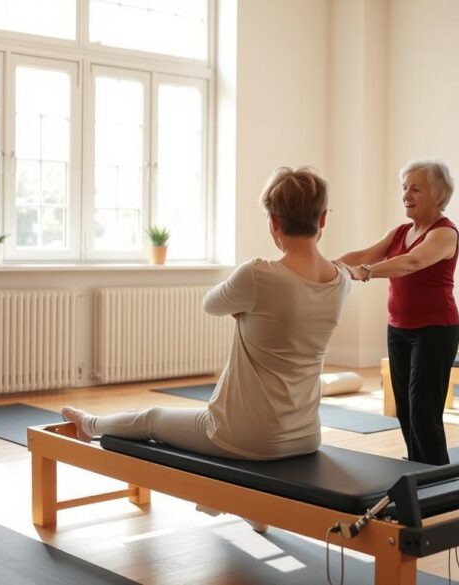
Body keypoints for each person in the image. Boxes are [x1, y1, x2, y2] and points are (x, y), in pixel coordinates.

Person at [62, 166, 351, 463]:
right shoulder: (341, 282)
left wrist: (246, 308)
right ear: (324, 218)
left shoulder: (258, 275)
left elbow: (211, 304)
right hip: (307, 437)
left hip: (243, 436)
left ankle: (89, 424)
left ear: (274, 222)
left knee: (151, 418)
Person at [337, 159, 459, 465]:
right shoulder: (401, 231)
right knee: (404, 406)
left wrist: (365, 272)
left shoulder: (444, 234)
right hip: (399, 329)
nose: (406, 194)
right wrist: (324, 267)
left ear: (438, 194)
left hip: (435, 330)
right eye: (404, 187)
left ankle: (437, 475)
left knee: (423, 408)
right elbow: (364, 254)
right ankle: (419, 467)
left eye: (416, 188)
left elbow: (411, 263)